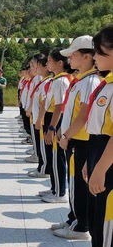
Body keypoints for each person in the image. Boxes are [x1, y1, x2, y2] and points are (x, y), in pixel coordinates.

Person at [75, 26, 113, 247]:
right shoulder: (107, 83)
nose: (96, 57)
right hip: (99, 154)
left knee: (108, 228)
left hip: (109, 163)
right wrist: (92, 162)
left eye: (101, 52)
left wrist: (100, 168)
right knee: (99, 226)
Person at [53, 36, 99, 240]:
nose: (69, 59)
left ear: (88, 57)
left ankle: (82, 226)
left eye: (73, 55)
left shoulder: (90, 81)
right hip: (75, 139)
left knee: (79, 185)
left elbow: (83, 115)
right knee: (74, 182)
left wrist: (66, 135)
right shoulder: (80, 80)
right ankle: (74, 218)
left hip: (82, 140)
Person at [40, 49, 72, 203]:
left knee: (57, 157)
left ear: (60, 63)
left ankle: (60, 193)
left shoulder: (62, 80)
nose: (47, 64)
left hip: (56, 119)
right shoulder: (57, 79)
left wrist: (52, 128)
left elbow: (60, 107)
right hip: (52, 117)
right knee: (53, 157)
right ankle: (54, 188)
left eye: (50, 61)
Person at [29, 54, 53, 179]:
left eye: (37, 65)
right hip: (39, 118)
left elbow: (45, 103)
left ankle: (44, 169)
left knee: (44, 148)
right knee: (41, 147)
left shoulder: (47, 82)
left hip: (42, 120)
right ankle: (42, 167)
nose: (34, 68)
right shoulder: (43, 81)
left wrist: (39, 119)